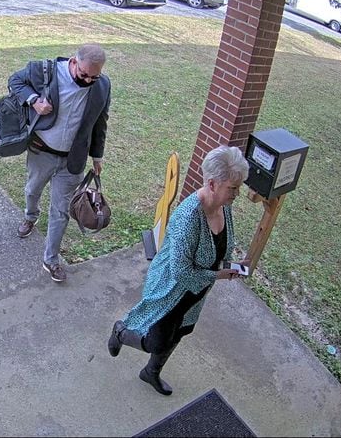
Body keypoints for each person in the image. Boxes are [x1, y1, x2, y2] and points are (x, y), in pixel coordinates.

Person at [106, 145, 250, 395]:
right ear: (213, 184)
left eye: (238, 187)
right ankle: (120, 332)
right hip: (170, 288)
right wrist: (218, 275)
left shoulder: (224, 206)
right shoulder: (188, 218)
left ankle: (150, 372)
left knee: (181, 330)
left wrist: (232, 265)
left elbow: (224, 244)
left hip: (196, 289)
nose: (237, 194)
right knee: (155, 340)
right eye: (233, 188)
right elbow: (181, 273)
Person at [8, 44, 111, 283]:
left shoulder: (102, 86)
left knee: (61, 211)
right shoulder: (46, 71)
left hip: (72, 159)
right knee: (32, 190)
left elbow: (100, 122)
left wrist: (97, 156)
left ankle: (51, 259)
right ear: (74, 62)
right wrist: (34, 100)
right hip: (41, 151)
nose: (87, 80)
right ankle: (31, 216)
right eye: (83, 74)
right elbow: (15, 81)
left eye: (93, 77)